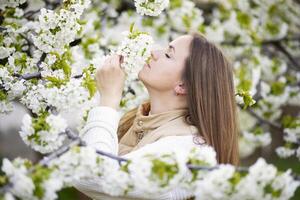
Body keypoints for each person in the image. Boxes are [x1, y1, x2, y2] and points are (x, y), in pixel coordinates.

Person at [74, 33, 239, 199]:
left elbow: (90, 174)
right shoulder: (136, 122)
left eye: (168, 55)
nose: (153, 52)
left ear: (183, 86)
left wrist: (109, 98)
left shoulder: (187, 150)